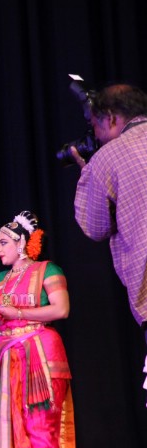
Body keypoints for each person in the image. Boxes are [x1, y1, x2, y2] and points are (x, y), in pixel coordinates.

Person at [0, 211, 76, 448]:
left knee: (41, 420)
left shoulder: (48, 270)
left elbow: (61, 309)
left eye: (3, 243)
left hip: (41, 352)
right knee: (19, 425)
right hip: (11, 356)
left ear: (21, 242)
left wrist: (18, 314)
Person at [74, 84, 147, 354]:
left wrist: (87, 172)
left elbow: (94, 226)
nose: (95, 134)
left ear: (111, 118)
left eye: (95, 125)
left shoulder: (108, 156)